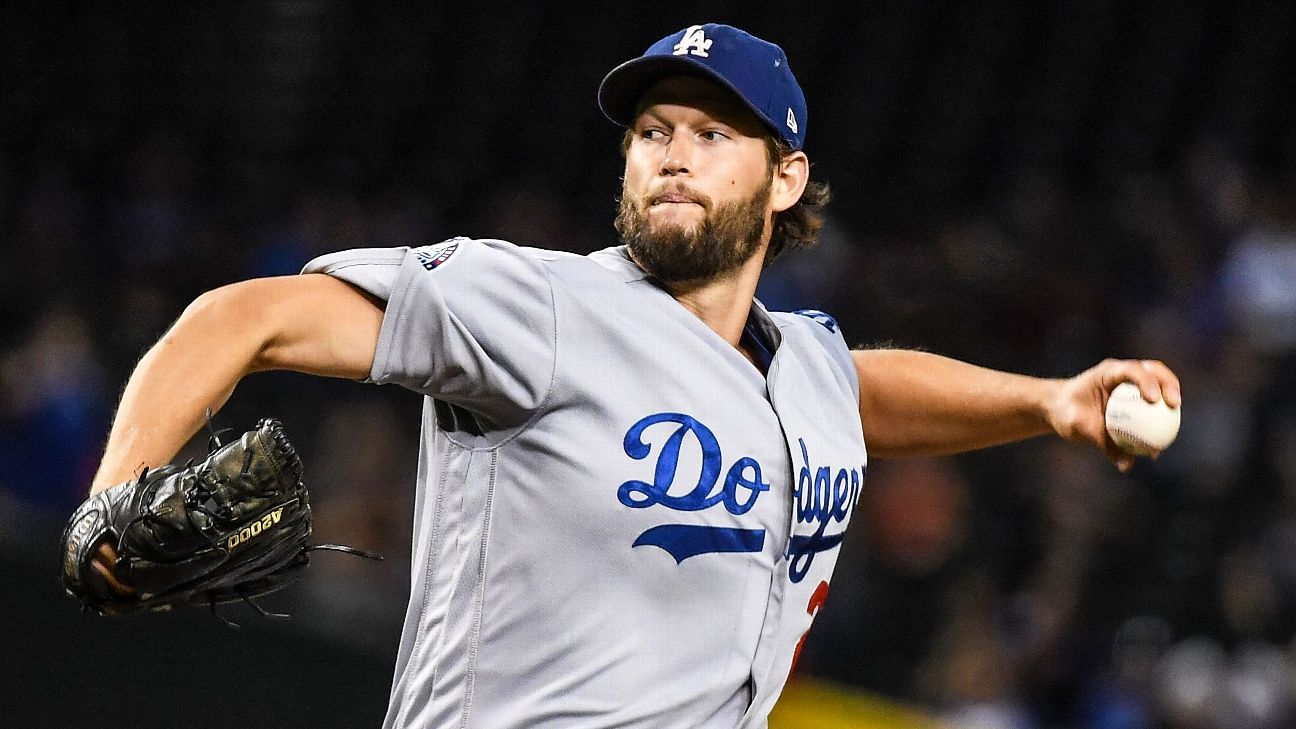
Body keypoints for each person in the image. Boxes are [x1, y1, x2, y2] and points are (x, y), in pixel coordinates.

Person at [81, 23, 1180, 729]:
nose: (672, 152)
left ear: (788, 178)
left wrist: (1047, 402)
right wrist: (113, 501)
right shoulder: (540, 306)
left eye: (712, 133)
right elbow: (246, 317)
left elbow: (860, 392)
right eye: (653, 130)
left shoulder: (804, 367)